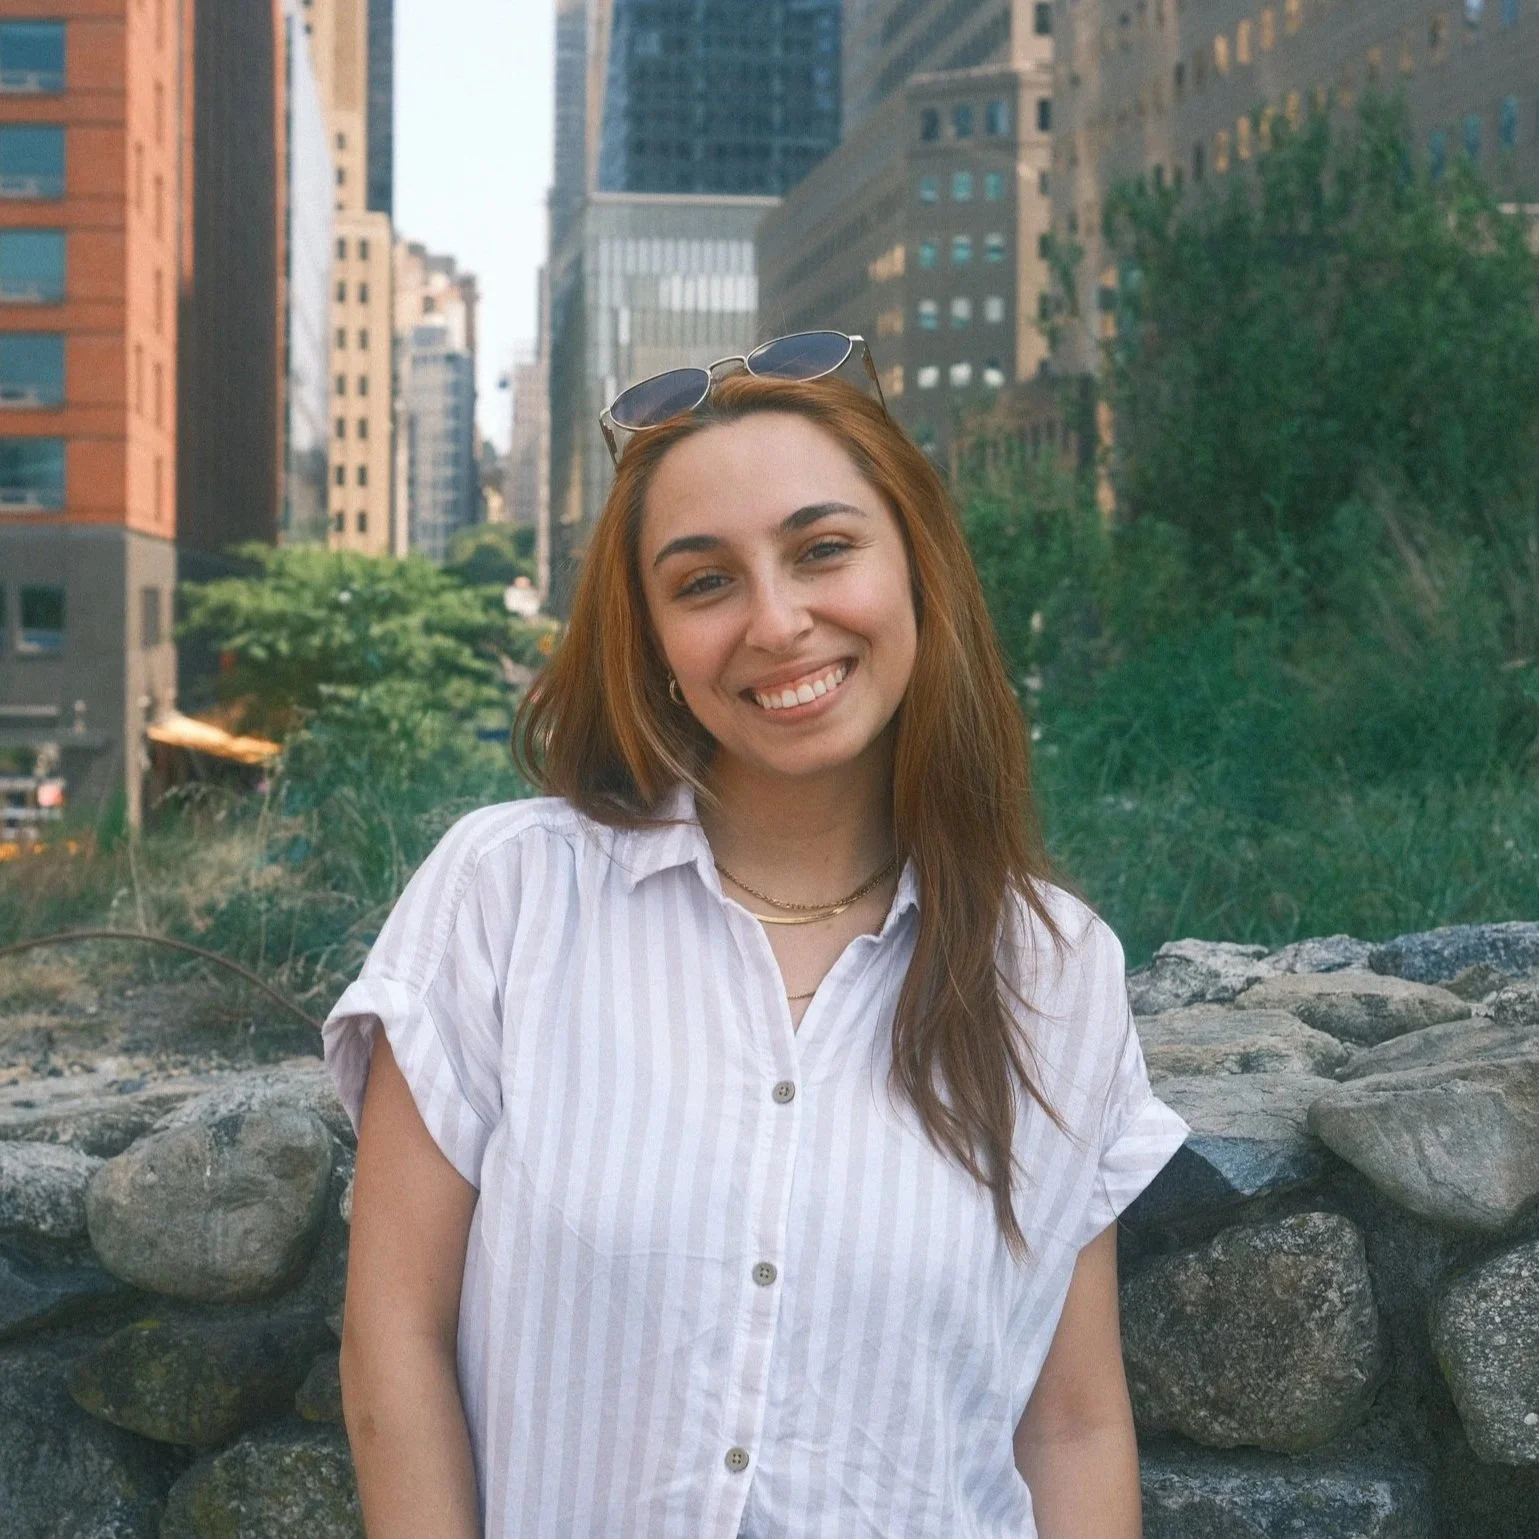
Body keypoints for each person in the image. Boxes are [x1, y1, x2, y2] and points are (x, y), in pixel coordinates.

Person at [322, 334, 1190, 1539]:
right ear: (655, 643)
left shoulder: (1050, 968)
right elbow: (394, 1350)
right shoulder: (506, 898)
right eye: (704, 581)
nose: (778, 623)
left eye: (823, 550)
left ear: (917, 569)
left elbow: (1072, 1425)